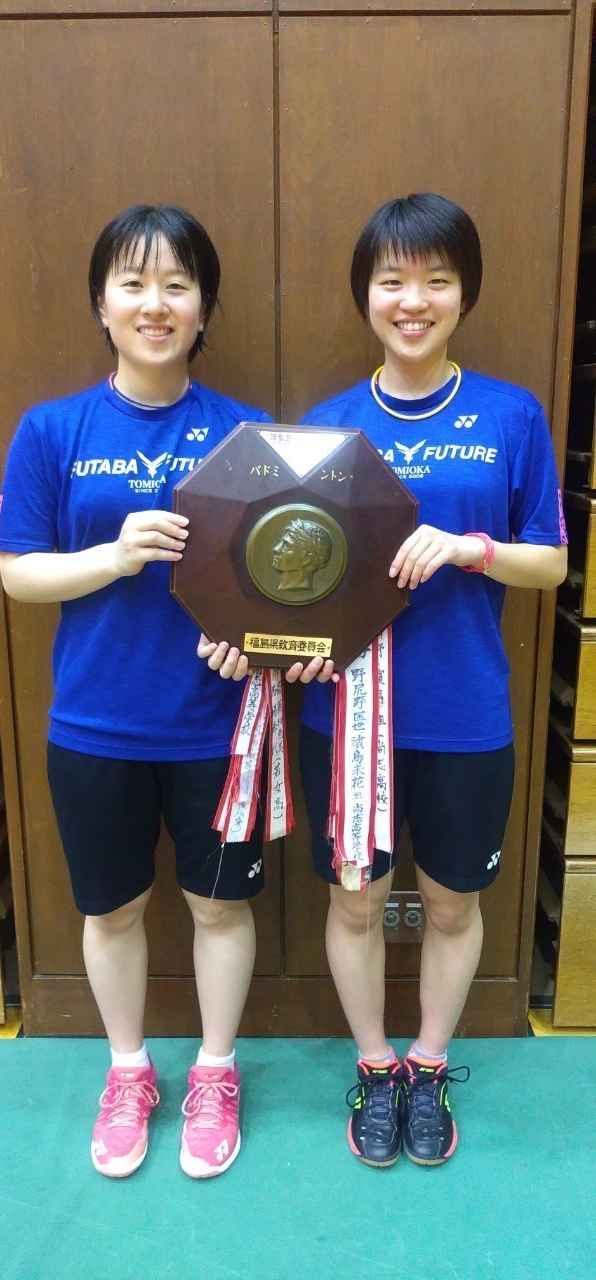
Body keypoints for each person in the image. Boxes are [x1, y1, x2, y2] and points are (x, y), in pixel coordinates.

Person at [205, 192, 568, 1169]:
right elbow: (286, 573)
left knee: (450, 905)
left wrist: (470, 546)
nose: (414, 300)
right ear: (366, 293)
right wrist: (288, 643)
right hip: (343, 716)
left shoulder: (510, 415)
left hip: (465, 710)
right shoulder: (326, 428)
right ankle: (374, 1065)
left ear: (464, 293)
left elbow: (550, 562)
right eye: (393, 279)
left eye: (436, 280)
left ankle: (429, 1062)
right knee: (357, 902)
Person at [0, 203, 277, 1181]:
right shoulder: (52, 430)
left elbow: (289, 579)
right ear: (101, 303)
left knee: (218, 909)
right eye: (133, 283)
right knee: (111, 912)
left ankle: (215, 1070)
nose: (155, 304)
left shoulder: (245, 434)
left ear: (203, 308)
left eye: (177, 285)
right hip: (94, 723)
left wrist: (255, 647)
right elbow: (18, 574)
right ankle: (127, 1071)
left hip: (215, 726)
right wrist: (112, 558)